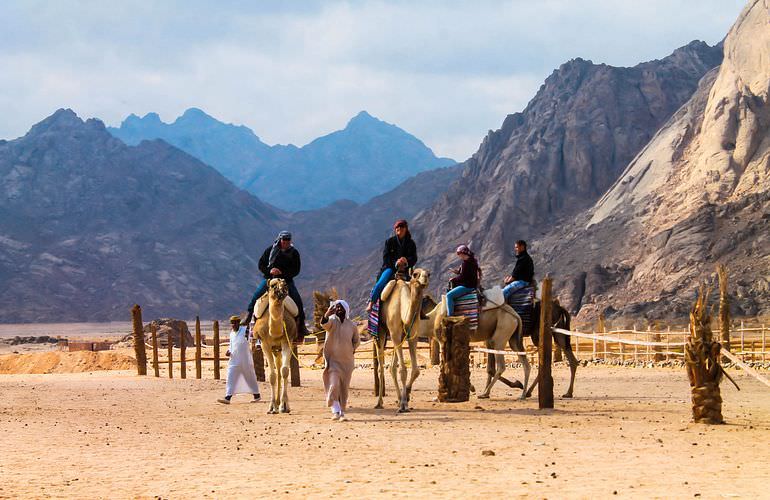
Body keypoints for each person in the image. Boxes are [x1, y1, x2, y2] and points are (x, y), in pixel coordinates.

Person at [244, 230, 308, 337]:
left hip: (286, 281)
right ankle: (249, 316)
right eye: (284, 240)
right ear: (280, 239)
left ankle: (301, 325)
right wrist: (270, 271)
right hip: (270, 279)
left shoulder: (294, 253)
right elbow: (261, 264)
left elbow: (296, 270)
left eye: (288, 240)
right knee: (256, 295)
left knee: (297, 300)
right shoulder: (270, 250)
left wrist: (283, 273)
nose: (286, 242)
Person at [365, 219, 418, 312]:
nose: (399, 228)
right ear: (395, 229)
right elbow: (385, 258)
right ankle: (371, 303)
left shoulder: (411, 243)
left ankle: (419, 310)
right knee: (381, 282)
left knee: (417, 286)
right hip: (390, 268)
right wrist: (396, 263)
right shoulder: (389, 242)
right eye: (397, 227)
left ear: (406, 229)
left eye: (401, 226)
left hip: (406, 269)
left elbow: (414, 258)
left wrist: (406, 261)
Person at [321, 299, 360, 421]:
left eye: (340, 308)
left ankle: (340, 412)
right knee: (334, 384)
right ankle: (334, 409)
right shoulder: (332, 321)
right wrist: (327, 314)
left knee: (343, 388)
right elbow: (324, 324)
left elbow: (356, 341)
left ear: (346, 310)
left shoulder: (352, 325)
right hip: (333, 362)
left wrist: (350, 350)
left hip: (347, 363)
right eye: (336, 307)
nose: (338, 310)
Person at [217, 315, 261, 404]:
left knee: (250, 378)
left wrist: (257, 344)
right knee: (230, 377)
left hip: (245, 359)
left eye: (235, 323)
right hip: (234, 359)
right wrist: (228, 351)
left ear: (238, 323)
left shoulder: (245, 331)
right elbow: (231, 345)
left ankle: (257, 395)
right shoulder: (231, 333)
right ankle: (227, 397)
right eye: (232, 323)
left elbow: (254, 336)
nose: (233, 325)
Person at [446, 244, 480, 317]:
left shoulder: (466, 264)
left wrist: (453, 279)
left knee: (449, 295)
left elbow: (463, 277)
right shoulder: (473, 261)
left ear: (463, 253)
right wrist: (458, 272)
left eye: (460, 254)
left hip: (468, 286)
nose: (459, 256)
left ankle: (450, 317)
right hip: (472, 284)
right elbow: (467, 274)